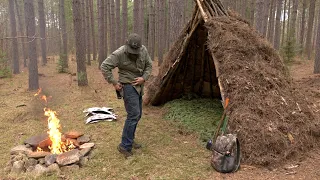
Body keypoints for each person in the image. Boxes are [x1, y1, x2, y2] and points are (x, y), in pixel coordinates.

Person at [100, 33, 152, 158]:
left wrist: (144, 78)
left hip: (139, 86)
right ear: (127, 44)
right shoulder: (119, 53)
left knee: (137, 115)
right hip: (127, 86)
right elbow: (104, 66)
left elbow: (149, 65)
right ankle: (124, 146)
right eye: (131, 50)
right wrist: (114, 82)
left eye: (136, 50)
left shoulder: (143, 50)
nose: (134, 52)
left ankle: (129, 139)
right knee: (133, 114)